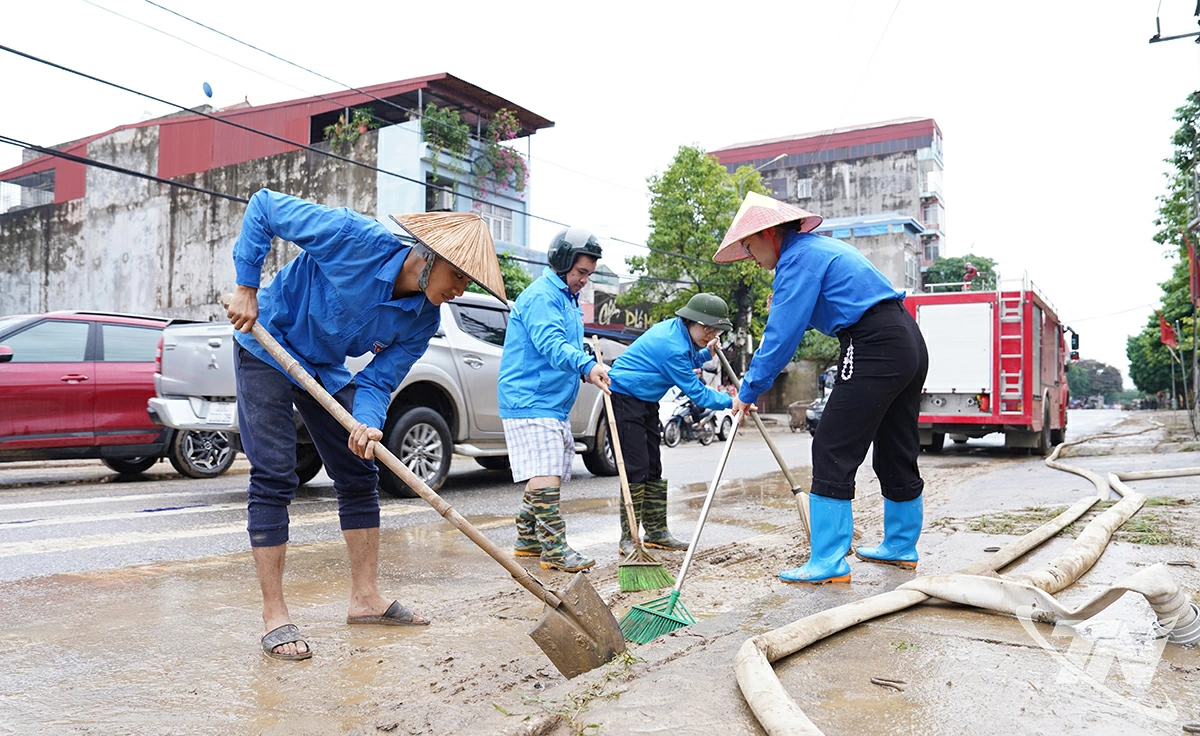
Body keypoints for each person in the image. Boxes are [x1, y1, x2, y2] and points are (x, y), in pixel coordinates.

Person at [226, 189, 506, 660]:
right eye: (458, 275)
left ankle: (365, 598)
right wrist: (247, 286)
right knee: (275, 474)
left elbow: (378, 381)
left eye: (468, 281)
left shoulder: (423, 319)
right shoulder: (354, 237)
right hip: (267, 343)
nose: (461, 290)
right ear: (427, 256)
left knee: (360, 469)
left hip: (322, 367)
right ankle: (274, 613)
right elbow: (263, 207)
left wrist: (368, 424)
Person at [714, 192, 929, 585]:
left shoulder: (796, 260)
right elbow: (831, 306)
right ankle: (901, 546)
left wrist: (747, 390)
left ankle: (828, 561)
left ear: (769, 233)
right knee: (896, 444)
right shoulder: (817, 250)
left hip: (873, 344)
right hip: (906, 337)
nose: (751, 256)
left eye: (749, 245)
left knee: (831, 444)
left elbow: (779, 340)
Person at [498, 227, 611, 572]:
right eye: (580, 273)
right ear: (562, 265)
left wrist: (587, 366)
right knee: (546, 471)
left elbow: (570, 348)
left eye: (589, 275)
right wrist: (585, 365)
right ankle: (553, 548)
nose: (584, 281)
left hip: (552, 401)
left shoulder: (568, 300)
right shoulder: (542, 297)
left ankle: (528, 540)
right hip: (530, 398)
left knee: (552, 468)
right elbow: (551, 345)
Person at [606, 293, 734, 555]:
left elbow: (686, 361)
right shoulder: (671, 345)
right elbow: (697, 392)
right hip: (625, 398)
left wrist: (705, 352)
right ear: (689, 320)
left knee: (653, 466)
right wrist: (733, 401)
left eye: (714, 330)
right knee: (636, 468)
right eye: (706, 328)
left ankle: (656, 531)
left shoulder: (681, 336)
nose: (710, 334)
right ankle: (628, 536)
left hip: (647, 400)